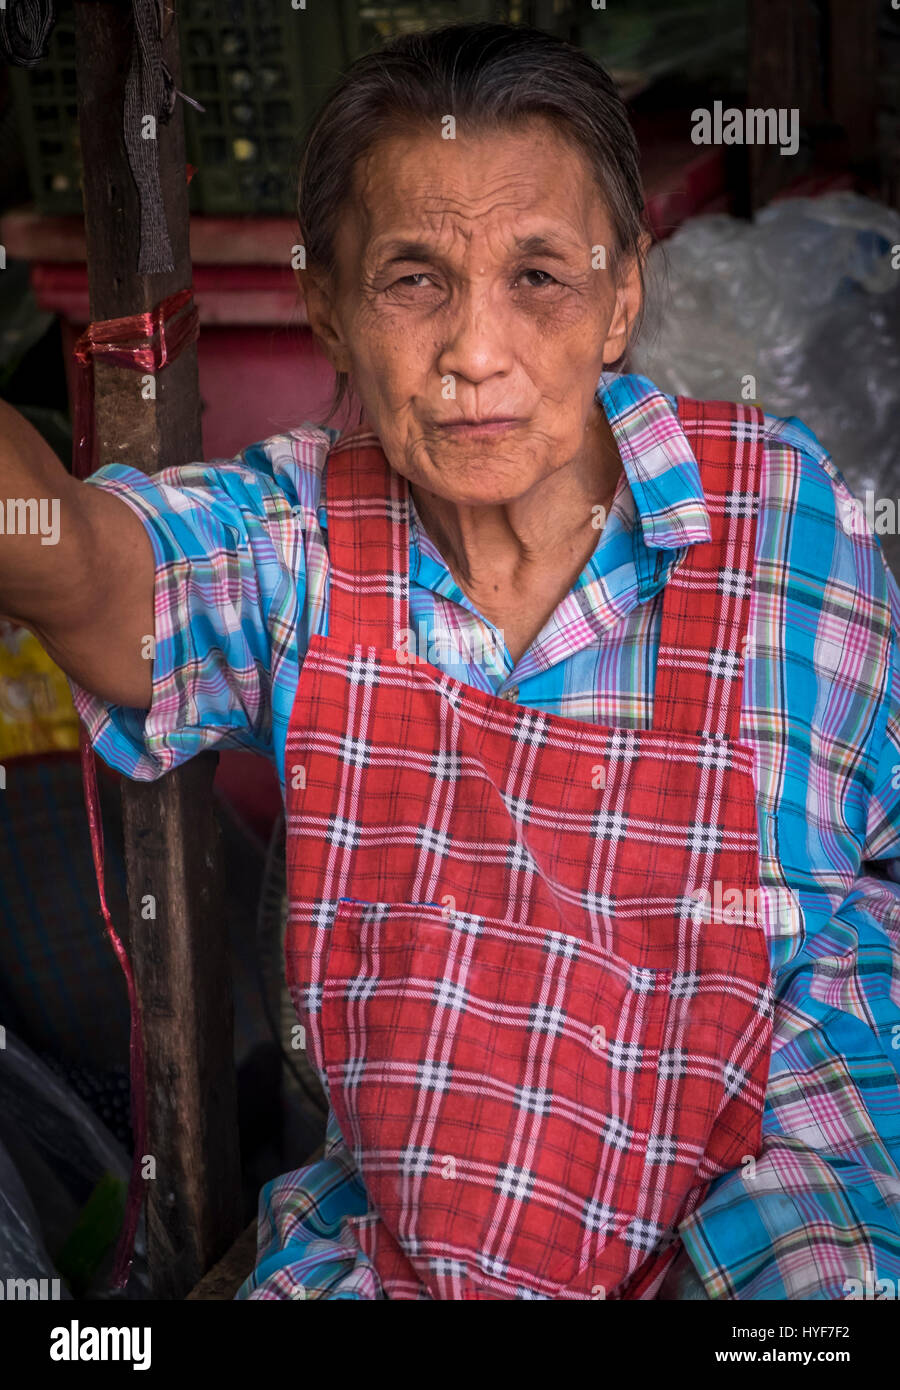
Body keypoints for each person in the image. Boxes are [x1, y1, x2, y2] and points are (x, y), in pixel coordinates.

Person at [2, 21, 900, 1301]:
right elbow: (84, 566)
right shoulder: (301, 538)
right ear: (329, 306)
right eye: (415, 279)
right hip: (445, 1202)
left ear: (619, 298)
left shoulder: (781, 517)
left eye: (538, 277)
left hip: (775, 1152)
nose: (478, 354)